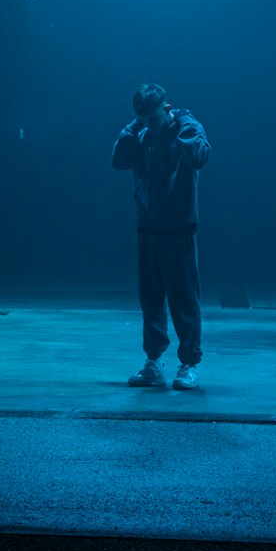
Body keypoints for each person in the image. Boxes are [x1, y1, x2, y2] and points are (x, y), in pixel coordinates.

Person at [111, 82, 211, 390]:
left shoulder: (186, 129)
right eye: (143, 120)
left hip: (179, 226)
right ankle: (154, 362)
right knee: (151, 299)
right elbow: (118, 161)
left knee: (183, 299)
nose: (150, 125)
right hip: (148, 226)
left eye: (153, 118)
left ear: (166, 108)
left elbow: (199, 158)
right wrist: (135, 126)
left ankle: (189, 364)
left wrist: (183, 123)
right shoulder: (141, 132)